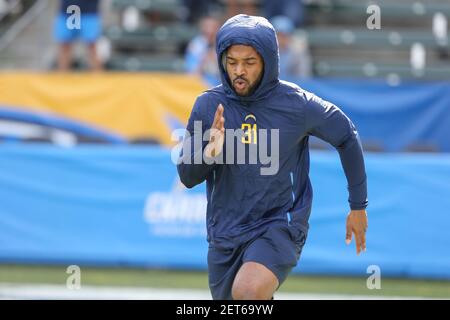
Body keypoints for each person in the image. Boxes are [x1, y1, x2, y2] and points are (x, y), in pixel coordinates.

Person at [177, 14, 368, 300]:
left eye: (249, 62)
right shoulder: (208, 106)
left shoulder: (298, 105)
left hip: (279, 224)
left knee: (248, 293)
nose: (239, 71)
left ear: (268, 60)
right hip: (225, 232)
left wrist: (358, 205)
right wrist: (209, 153)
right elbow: (187, 176)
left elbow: (346, 135)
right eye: (232, 62)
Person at [54, 0, 103, 71]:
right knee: (64, 48)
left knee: (92, 48)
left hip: (89, 12)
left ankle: (98, 79)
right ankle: (62, 79)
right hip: (68, 12)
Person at [185, 15, 222, 85]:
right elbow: (191, 75)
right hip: (199, 87)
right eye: (207, 27)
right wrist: (203, 60)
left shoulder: (225, 45)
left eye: (213, 27)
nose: (210, 30)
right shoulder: (195, 46)